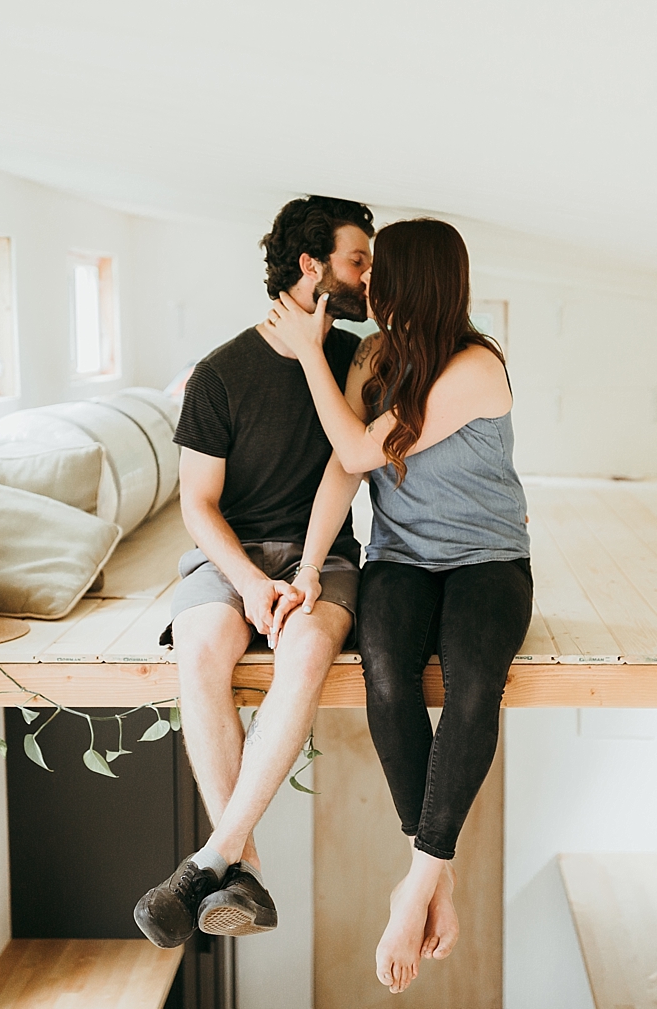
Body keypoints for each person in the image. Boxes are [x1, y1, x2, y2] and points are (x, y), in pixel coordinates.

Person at [262, 218, 533, 994]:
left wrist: (311, 352)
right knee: (386, 674)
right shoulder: (378, 357)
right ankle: (434, 874)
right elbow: (341, 473)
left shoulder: (476, 367)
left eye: (380, 268)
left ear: (416, 280)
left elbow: (358, 449)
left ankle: (412, 881)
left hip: (488, 560)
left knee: (476, 683)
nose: (367, 279)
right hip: (403, 558)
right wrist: (310, 569)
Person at [133, 196, 375, 948]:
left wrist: (300, 574)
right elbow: (198, 504)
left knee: (303, 657)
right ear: (313, 268)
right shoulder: (219, 373)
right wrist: (245, 582)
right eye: (358, 260)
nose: (371, 275)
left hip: (323, 553)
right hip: (227, 555)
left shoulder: (357, 359)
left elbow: (353, 466)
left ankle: (213, 859)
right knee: (201, 656)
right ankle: (245, 867)